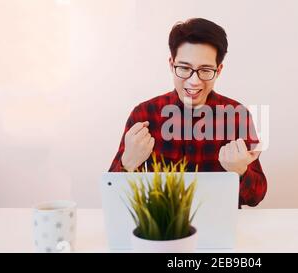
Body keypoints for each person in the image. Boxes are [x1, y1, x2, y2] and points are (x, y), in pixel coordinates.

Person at [109, 18, 267, 207]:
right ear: (171, 64)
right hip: (162, 230)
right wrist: (127, 163)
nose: (194, 81)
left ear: (219, 70)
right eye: (184, 68)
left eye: (205, 70)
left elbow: (255, 197)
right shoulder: (144, 114)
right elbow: (113, 194)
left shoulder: (236, 115)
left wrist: (241, 171)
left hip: (219, 226)